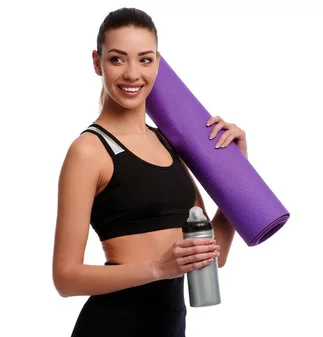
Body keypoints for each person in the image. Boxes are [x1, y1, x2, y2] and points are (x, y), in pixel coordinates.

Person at [52, 7, 247, 337]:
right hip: (112, 326)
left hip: (170, 326)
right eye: (117, 59)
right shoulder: (88, 150)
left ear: (158, 63)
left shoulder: (169, 141)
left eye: (144, 59)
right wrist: (158, 268)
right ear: (97, 63)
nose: (132, 74)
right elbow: (65, 278)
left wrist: (237, 173)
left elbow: (213, 258)